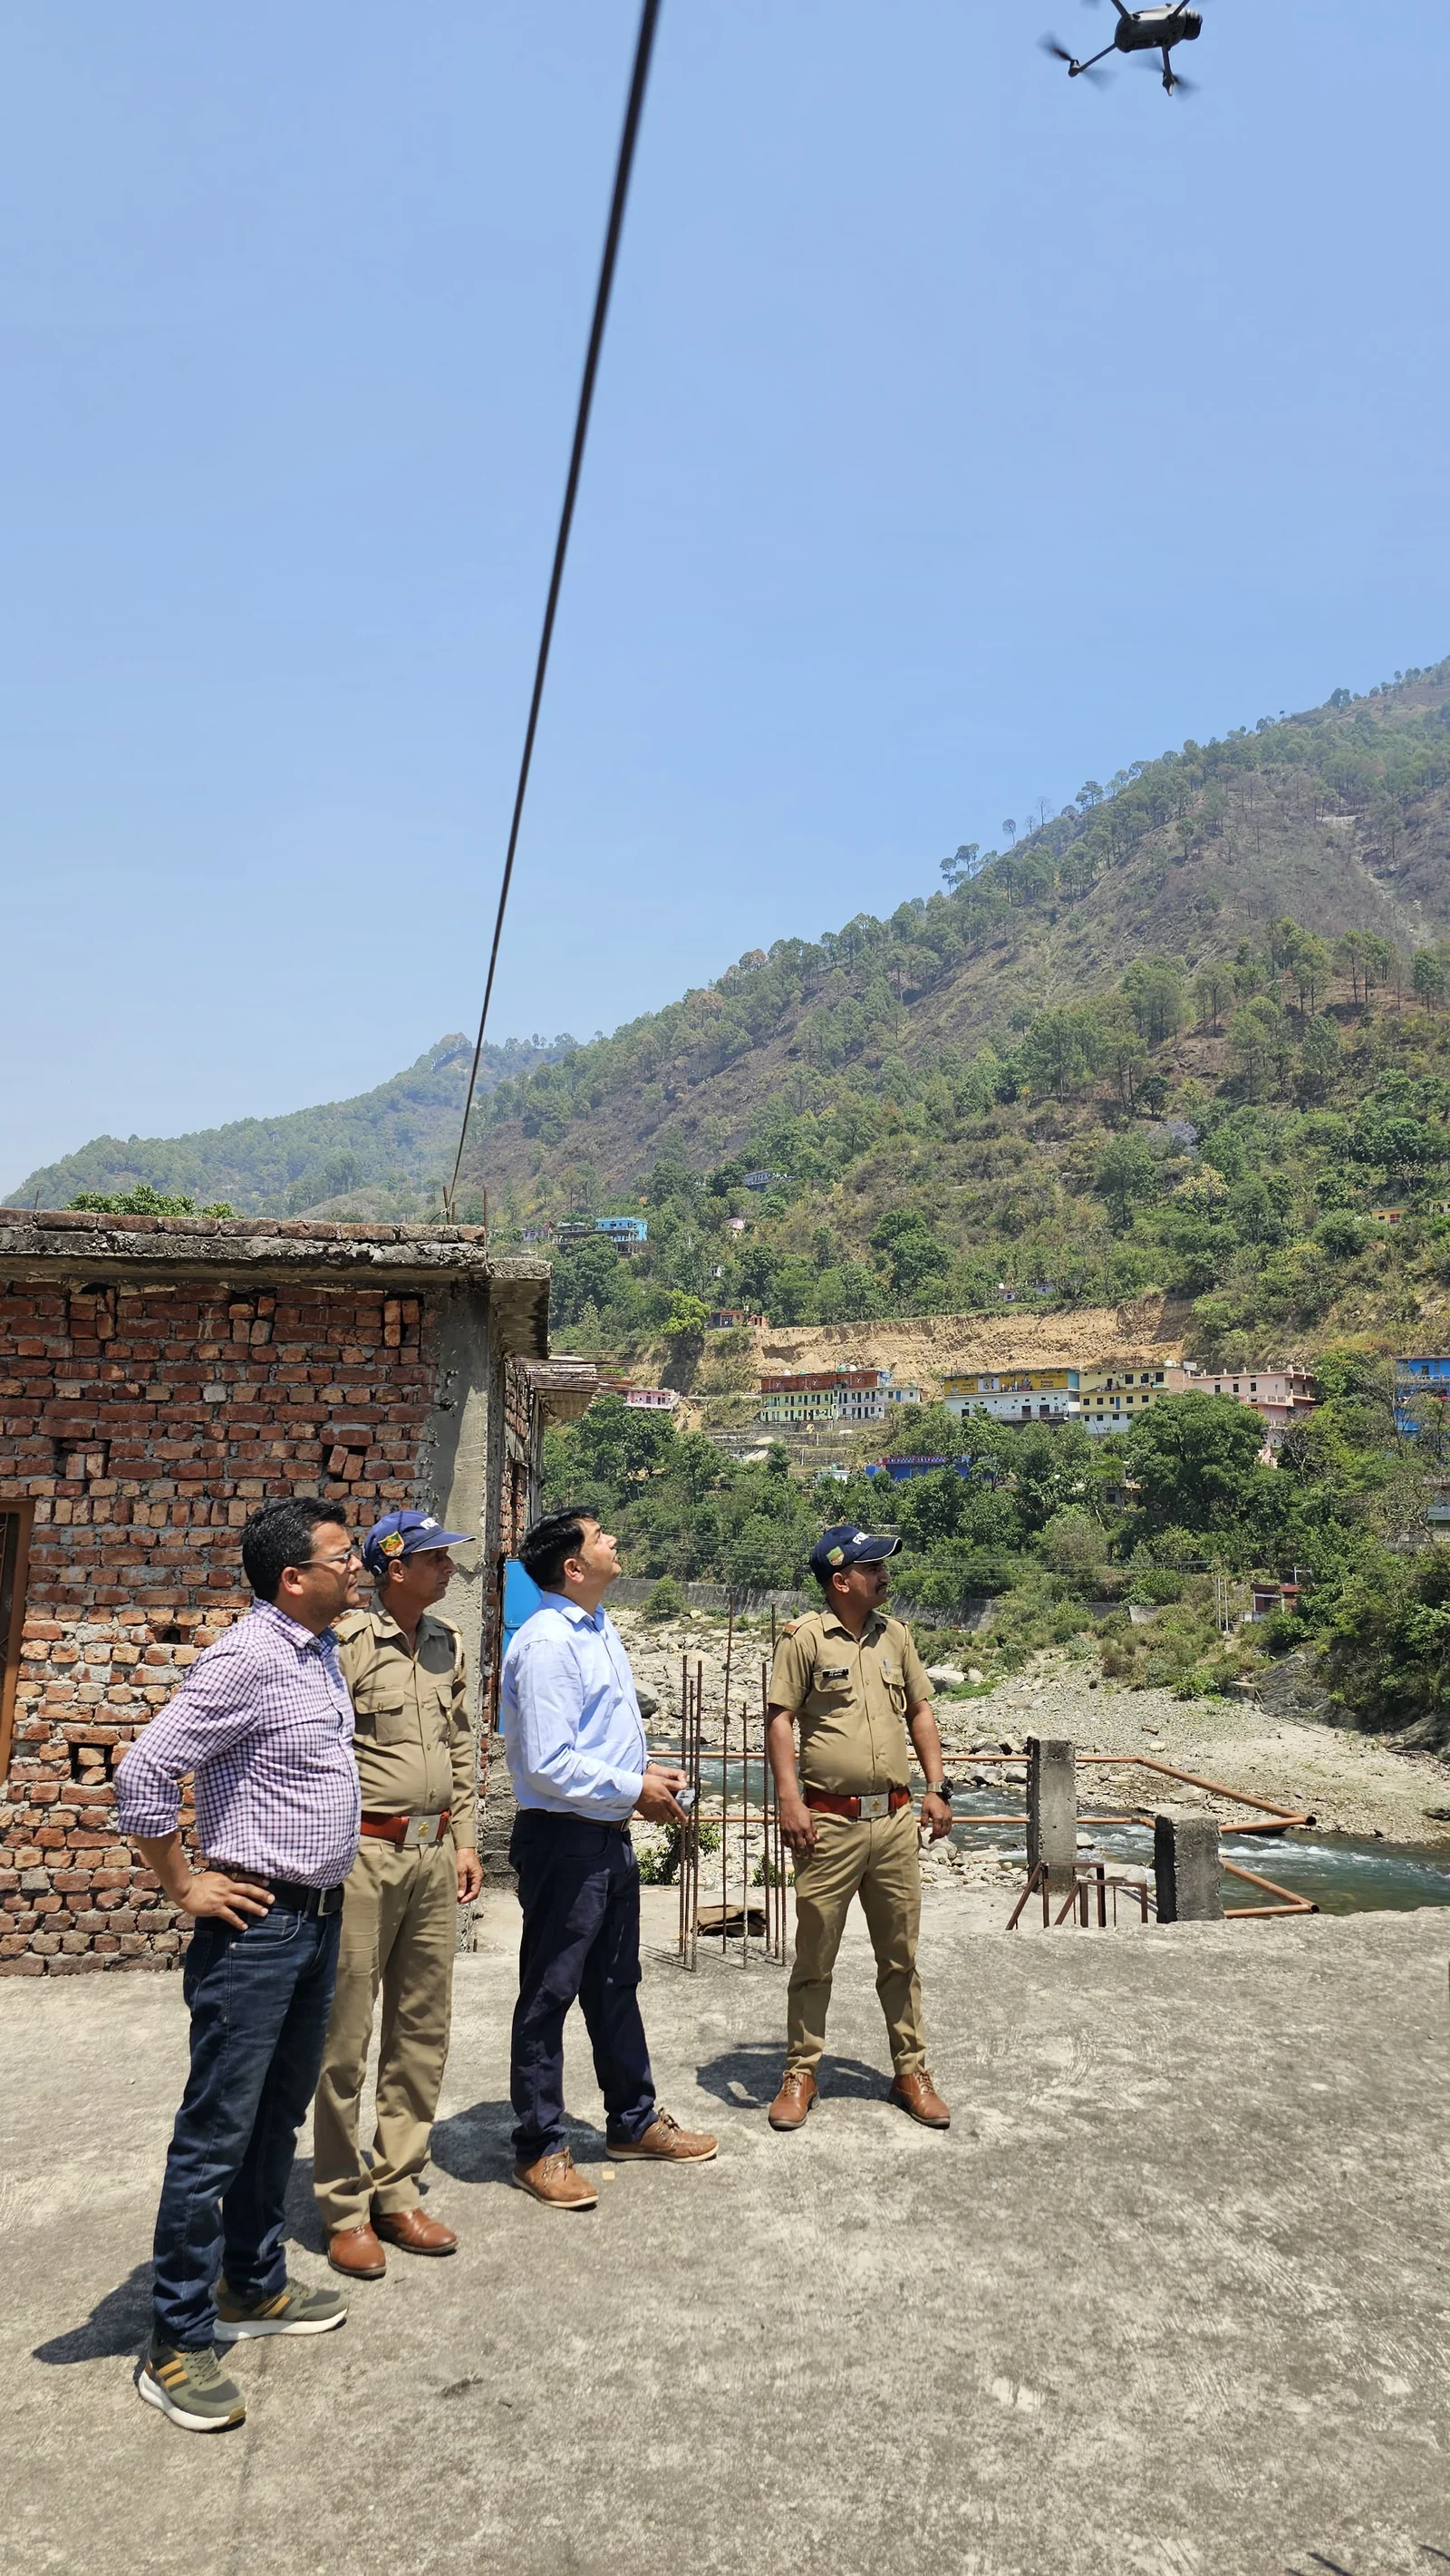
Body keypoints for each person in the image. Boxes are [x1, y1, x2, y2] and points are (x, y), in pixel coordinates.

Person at [114, 1497, 364, 2433]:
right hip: (257, 1930)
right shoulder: (248, 1657)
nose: (357, 1567)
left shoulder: (317, 1651)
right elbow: (144, 1771)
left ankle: (251, 2284)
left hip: (316, 1923)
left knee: (274, 2119)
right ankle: (175, 2341)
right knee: (216, 2133)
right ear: (292, 1578)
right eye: (343, 1557)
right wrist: (183, 1883)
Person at [498, 1507, 718, 2209]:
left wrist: (642, 1778)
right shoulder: (547, 1643)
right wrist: (633, 1789)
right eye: (599, 1537)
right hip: (564, 1840)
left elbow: (593, 1739)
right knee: (549, 1994)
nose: (613, 1541)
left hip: (606, 1834)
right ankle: (539, 2147)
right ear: (572, 1567)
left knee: (616, 1983)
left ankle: (632, 2120)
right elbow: (549, 1761)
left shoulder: (597, 1627)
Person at [314, 1509, 484, 2278]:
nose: (448, 1567)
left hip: (432, 1854)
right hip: (363, 1856)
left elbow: (460, 1746)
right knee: (345, 2037)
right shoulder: (348, 1643)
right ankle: (342, 2205)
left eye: (447, 1557)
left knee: (422, 2027)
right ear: (394, 1568)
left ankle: (397, 2187)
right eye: (434, 1558)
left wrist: (465, 1840)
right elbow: (322, 1749)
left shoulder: (448, 1642)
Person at [764, 1524, 955, 2134]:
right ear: (840, 1580)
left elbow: (920, 1711)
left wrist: (936, 1787)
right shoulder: (804, 1639)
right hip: (828, 1824)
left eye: (882, 1566)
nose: (883, 1575)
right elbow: (779, 1720)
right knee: (815, 1956)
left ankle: (911, 2072)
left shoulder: (896, 1636)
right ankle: (800, 2072)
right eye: (872, 1567)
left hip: (895, 1821)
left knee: (901, 1956)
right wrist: (789, 1801)